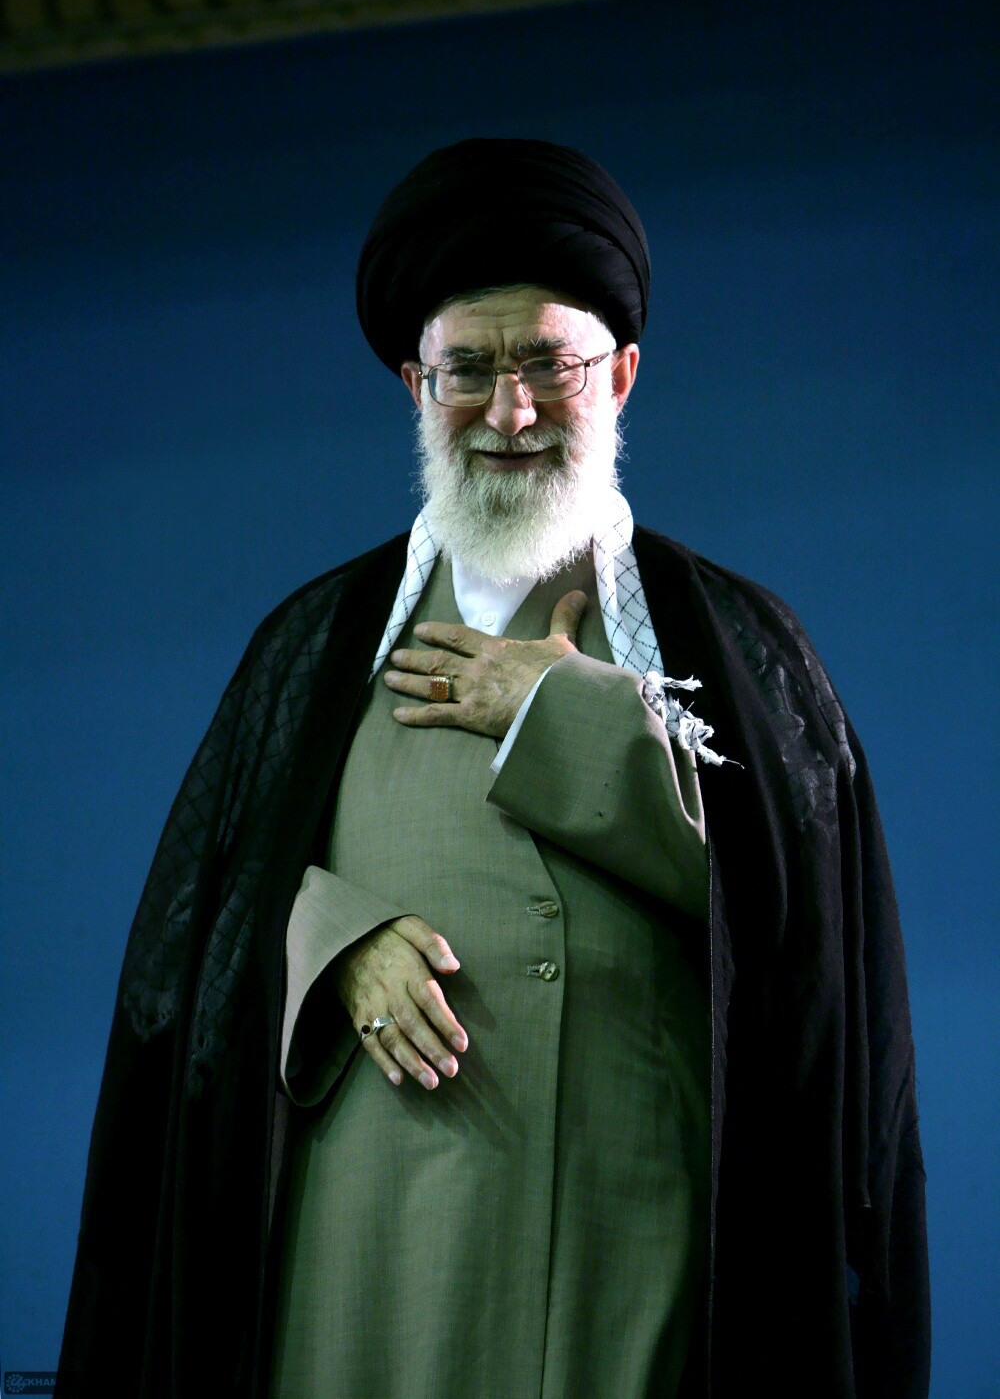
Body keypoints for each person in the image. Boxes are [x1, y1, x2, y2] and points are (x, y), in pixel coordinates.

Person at [56, 139, 930, 1399]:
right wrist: (329, 940)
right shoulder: (314, 646)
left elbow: (809, 947)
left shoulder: (736, 644)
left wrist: (562, 720)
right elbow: (195, 955)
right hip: (364, 1276)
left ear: (619, 376)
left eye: (549, 366)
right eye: (469, 369)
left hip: (635, 1275)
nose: (510, 412)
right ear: (414, 385)